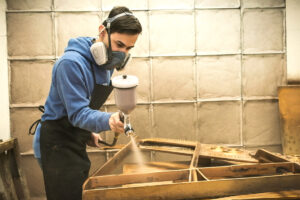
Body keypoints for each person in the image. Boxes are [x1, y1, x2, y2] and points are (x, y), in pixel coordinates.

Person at [30, 6, 142, 200]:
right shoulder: (71, 63)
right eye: (119, 44)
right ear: (102, 31)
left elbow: (80, 107)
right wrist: (109, 120)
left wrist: (87, 131)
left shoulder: (104, 66)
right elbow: (77, 113)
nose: (122, 53)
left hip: (74, 136)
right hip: (56, 142)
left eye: (128, 48)